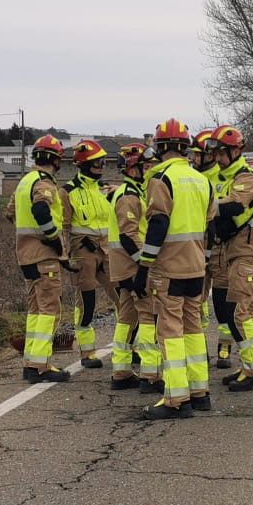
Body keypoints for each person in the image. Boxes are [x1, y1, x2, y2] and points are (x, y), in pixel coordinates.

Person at [136, 119, 212, 419]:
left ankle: (176, 399)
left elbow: (158, 224)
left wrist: (144, 266)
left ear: (160, 148)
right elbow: (210, 224)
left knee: (170, 331)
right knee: (193, 328)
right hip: (196, 267)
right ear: (185, 147)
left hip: (169, 269)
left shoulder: (160, 179)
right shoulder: (201, 180)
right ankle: (200, 392)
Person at [213, 124, 253, 390]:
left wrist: (204, 205)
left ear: (236, 151)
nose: (218, 158)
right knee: (231, 310)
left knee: (242, 310)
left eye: (221, 152)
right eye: (216, 153)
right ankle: (250, 365)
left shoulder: (246, 177)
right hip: (235, 251)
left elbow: (235, 205)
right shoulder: (225, 178)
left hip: (249, 251)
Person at [12, 134, 70, 382]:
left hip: (25, 255)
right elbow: (40, 209)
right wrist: (53, 238)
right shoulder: (44, 183)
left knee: (35, 310)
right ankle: (41, 366)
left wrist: (29, 236)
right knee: (50, 310)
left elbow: (10, 212)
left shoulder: (24, 182)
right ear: (56, 160)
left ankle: (31, 362)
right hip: (43, 256)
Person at [108, 144, 161, 392]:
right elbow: (128, 236)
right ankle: (151, 374)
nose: (150, 170)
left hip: (124, 266)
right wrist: (144, 265)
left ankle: (121, 371)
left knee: (127, 317)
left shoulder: (133, 192)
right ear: (132, 169)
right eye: (146, 166)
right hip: (132, 266)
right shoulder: (129, 196)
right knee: (148, 315)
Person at [61, 139, 116, 369]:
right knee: (87, 301)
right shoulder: (68, 192)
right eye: (96, 162)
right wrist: (63, 255)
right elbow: (63, 226)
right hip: (83, 250)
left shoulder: (104, 189)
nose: (101, 166)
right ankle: (87, 351)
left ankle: (129, 346)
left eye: (103, 162)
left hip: (107, 249)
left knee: (123, 296)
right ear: (83, 164)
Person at [194, 128, 234, 367]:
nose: (193, 159)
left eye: (197, 155)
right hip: (197, 246)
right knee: (195, 300)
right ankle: (198, 348)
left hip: (219, 247)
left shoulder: (223, 178)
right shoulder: (192, 179)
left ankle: (224, 347)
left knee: (222, 299)